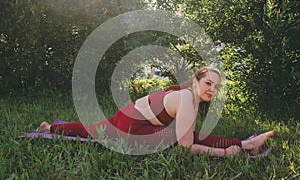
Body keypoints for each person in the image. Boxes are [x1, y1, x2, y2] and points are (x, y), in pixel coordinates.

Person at [39, 66, 274, 157]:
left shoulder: (188, 96)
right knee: (95, 132)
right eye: (208, 84)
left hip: (132, 115)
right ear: (195, 82)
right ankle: (245, 145)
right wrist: (223, 154)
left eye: (216, 86)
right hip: (130, 124)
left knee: (94, 130)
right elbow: (187, 146)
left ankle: (50, 127)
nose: (212, 90)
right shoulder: (186, 99)